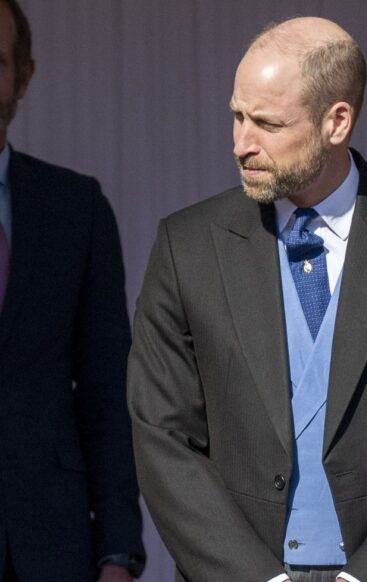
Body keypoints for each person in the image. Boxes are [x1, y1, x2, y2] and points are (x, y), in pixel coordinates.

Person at [127, 16, 367, 582]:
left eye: (267, 123)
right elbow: (163, 439)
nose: (241, 143)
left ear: (337, 122)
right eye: (237, 115)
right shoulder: (187, 247)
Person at [0, 1, 147, 580]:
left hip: (51, 544)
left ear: (23, 76)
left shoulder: (76, 209)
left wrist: (118, 550)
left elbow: (108, 389)